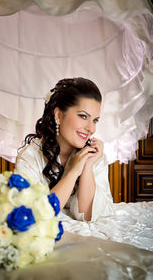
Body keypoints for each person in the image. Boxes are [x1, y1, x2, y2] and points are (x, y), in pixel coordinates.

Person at [15, 77, 114, 221]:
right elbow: (36, 214)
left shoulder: (94, 156)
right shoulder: (30, 156)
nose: (91, 129)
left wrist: (87, 166)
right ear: (59, 115)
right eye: (83, 116)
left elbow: (87, 216)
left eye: (95, 120)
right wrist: (74, 171)